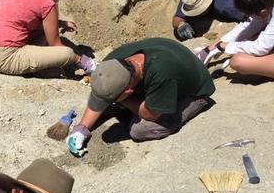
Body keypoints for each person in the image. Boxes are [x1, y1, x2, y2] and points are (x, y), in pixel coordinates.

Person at [66, 38, 215, 153]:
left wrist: (123, 101)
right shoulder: (111, 64)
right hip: (167, 63)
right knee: (109, 103)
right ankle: (127, 103)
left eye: (123, 96)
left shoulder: (162, 74)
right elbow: (101, 91)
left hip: (194, 90)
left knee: (140, 130)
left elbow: (150, 114)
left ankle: (179, 109)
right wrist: (81, 128)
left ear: (128, 92)